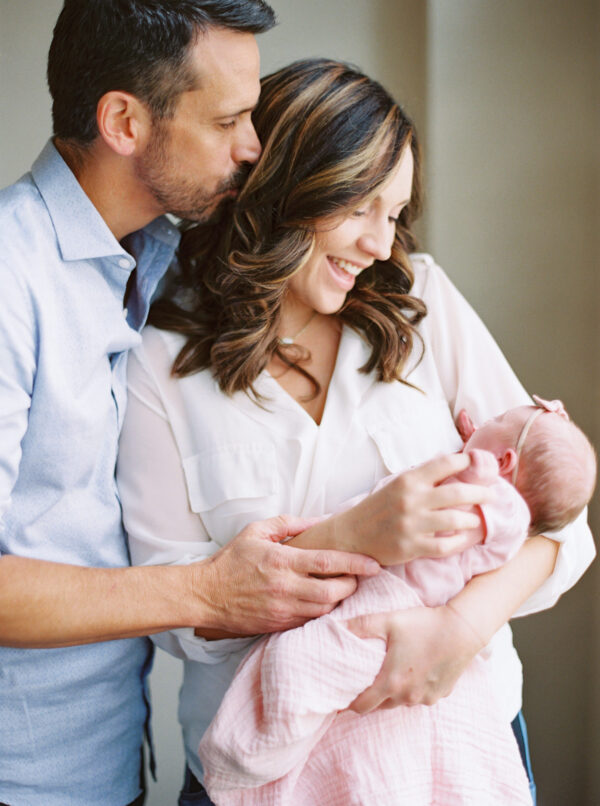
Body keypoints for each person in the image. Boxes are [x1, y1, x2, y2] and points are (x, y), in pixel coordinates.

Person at [116, 59, 595, 805]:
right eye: (361, 206)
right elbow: (176, 618)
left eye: (395, 214)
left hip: (457, 757)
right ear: (284, 188)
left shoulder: (421, 303)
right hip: (265, 781)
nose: (380, 243)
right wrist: (354, 535)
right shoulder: (158, 361)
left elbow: (559, 524)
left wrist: (460, 628)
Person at [0, 5, 406, 804]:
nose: (253, 146)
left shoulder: (153, 255)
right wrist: (208, 591)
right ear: (124, 122)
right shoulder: (12, 279)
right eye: (227, 121)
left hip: (106, 758)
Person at [197, 397, 597, 805]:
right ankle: (264, 746)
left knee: (301, 663)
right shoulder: (487, 489)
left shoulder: (505, 506)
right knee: (305, 661)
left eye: (496, 419)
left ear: (505, 460)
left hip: (399, 606)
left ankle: (256, 750)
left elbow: (558, 530)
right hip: (379, 591)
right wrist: (479, 443)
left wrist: (477, 462)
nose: (483, 420)